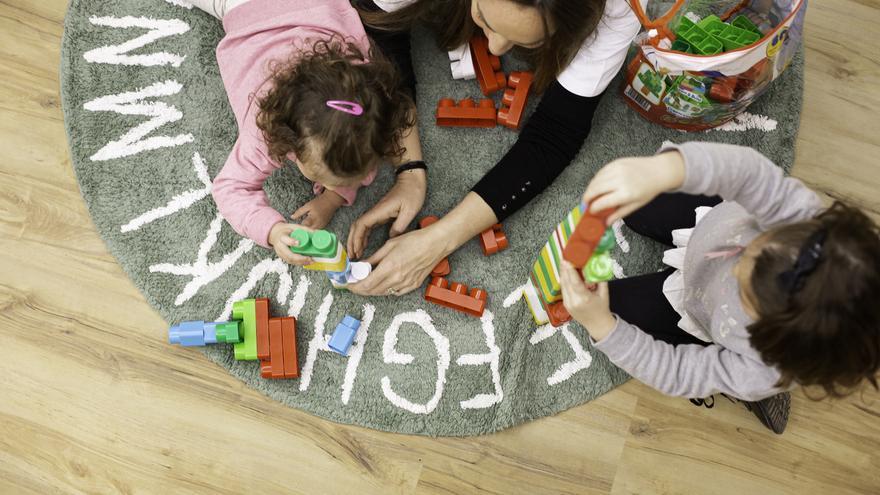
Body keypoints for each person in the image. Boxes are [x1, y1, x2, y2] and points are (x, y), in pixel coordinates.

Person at [557, 141, 880, 433]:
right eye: (756, 244)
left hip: (700, 307)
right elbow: (750, 173)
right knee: (636, 202)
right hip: (707, 225)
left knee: (612, 312)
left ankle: (747, 393)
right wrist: (661, 170)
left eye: (743, 289)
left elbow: (679, 374)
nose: (735, 263)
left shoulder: (762, 369)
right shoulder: (806, 225)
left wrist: (601, 325)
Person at [346, 0, 647, 296]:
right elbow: (381, 30)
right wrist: (409, 168)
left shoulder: (620, 8)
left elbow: (556, 133)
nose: (495, 48)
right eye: (485, 19)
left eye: (532, 41)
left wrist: (439, 240)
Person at [190, 0, 427, 265]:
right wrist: (272, 230)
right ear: (288, 141)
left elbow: (358, 144)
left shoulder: (367, 95)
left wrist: (332, 199)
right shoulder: (261, 133)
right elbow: (230, 189)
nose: (340, 184)